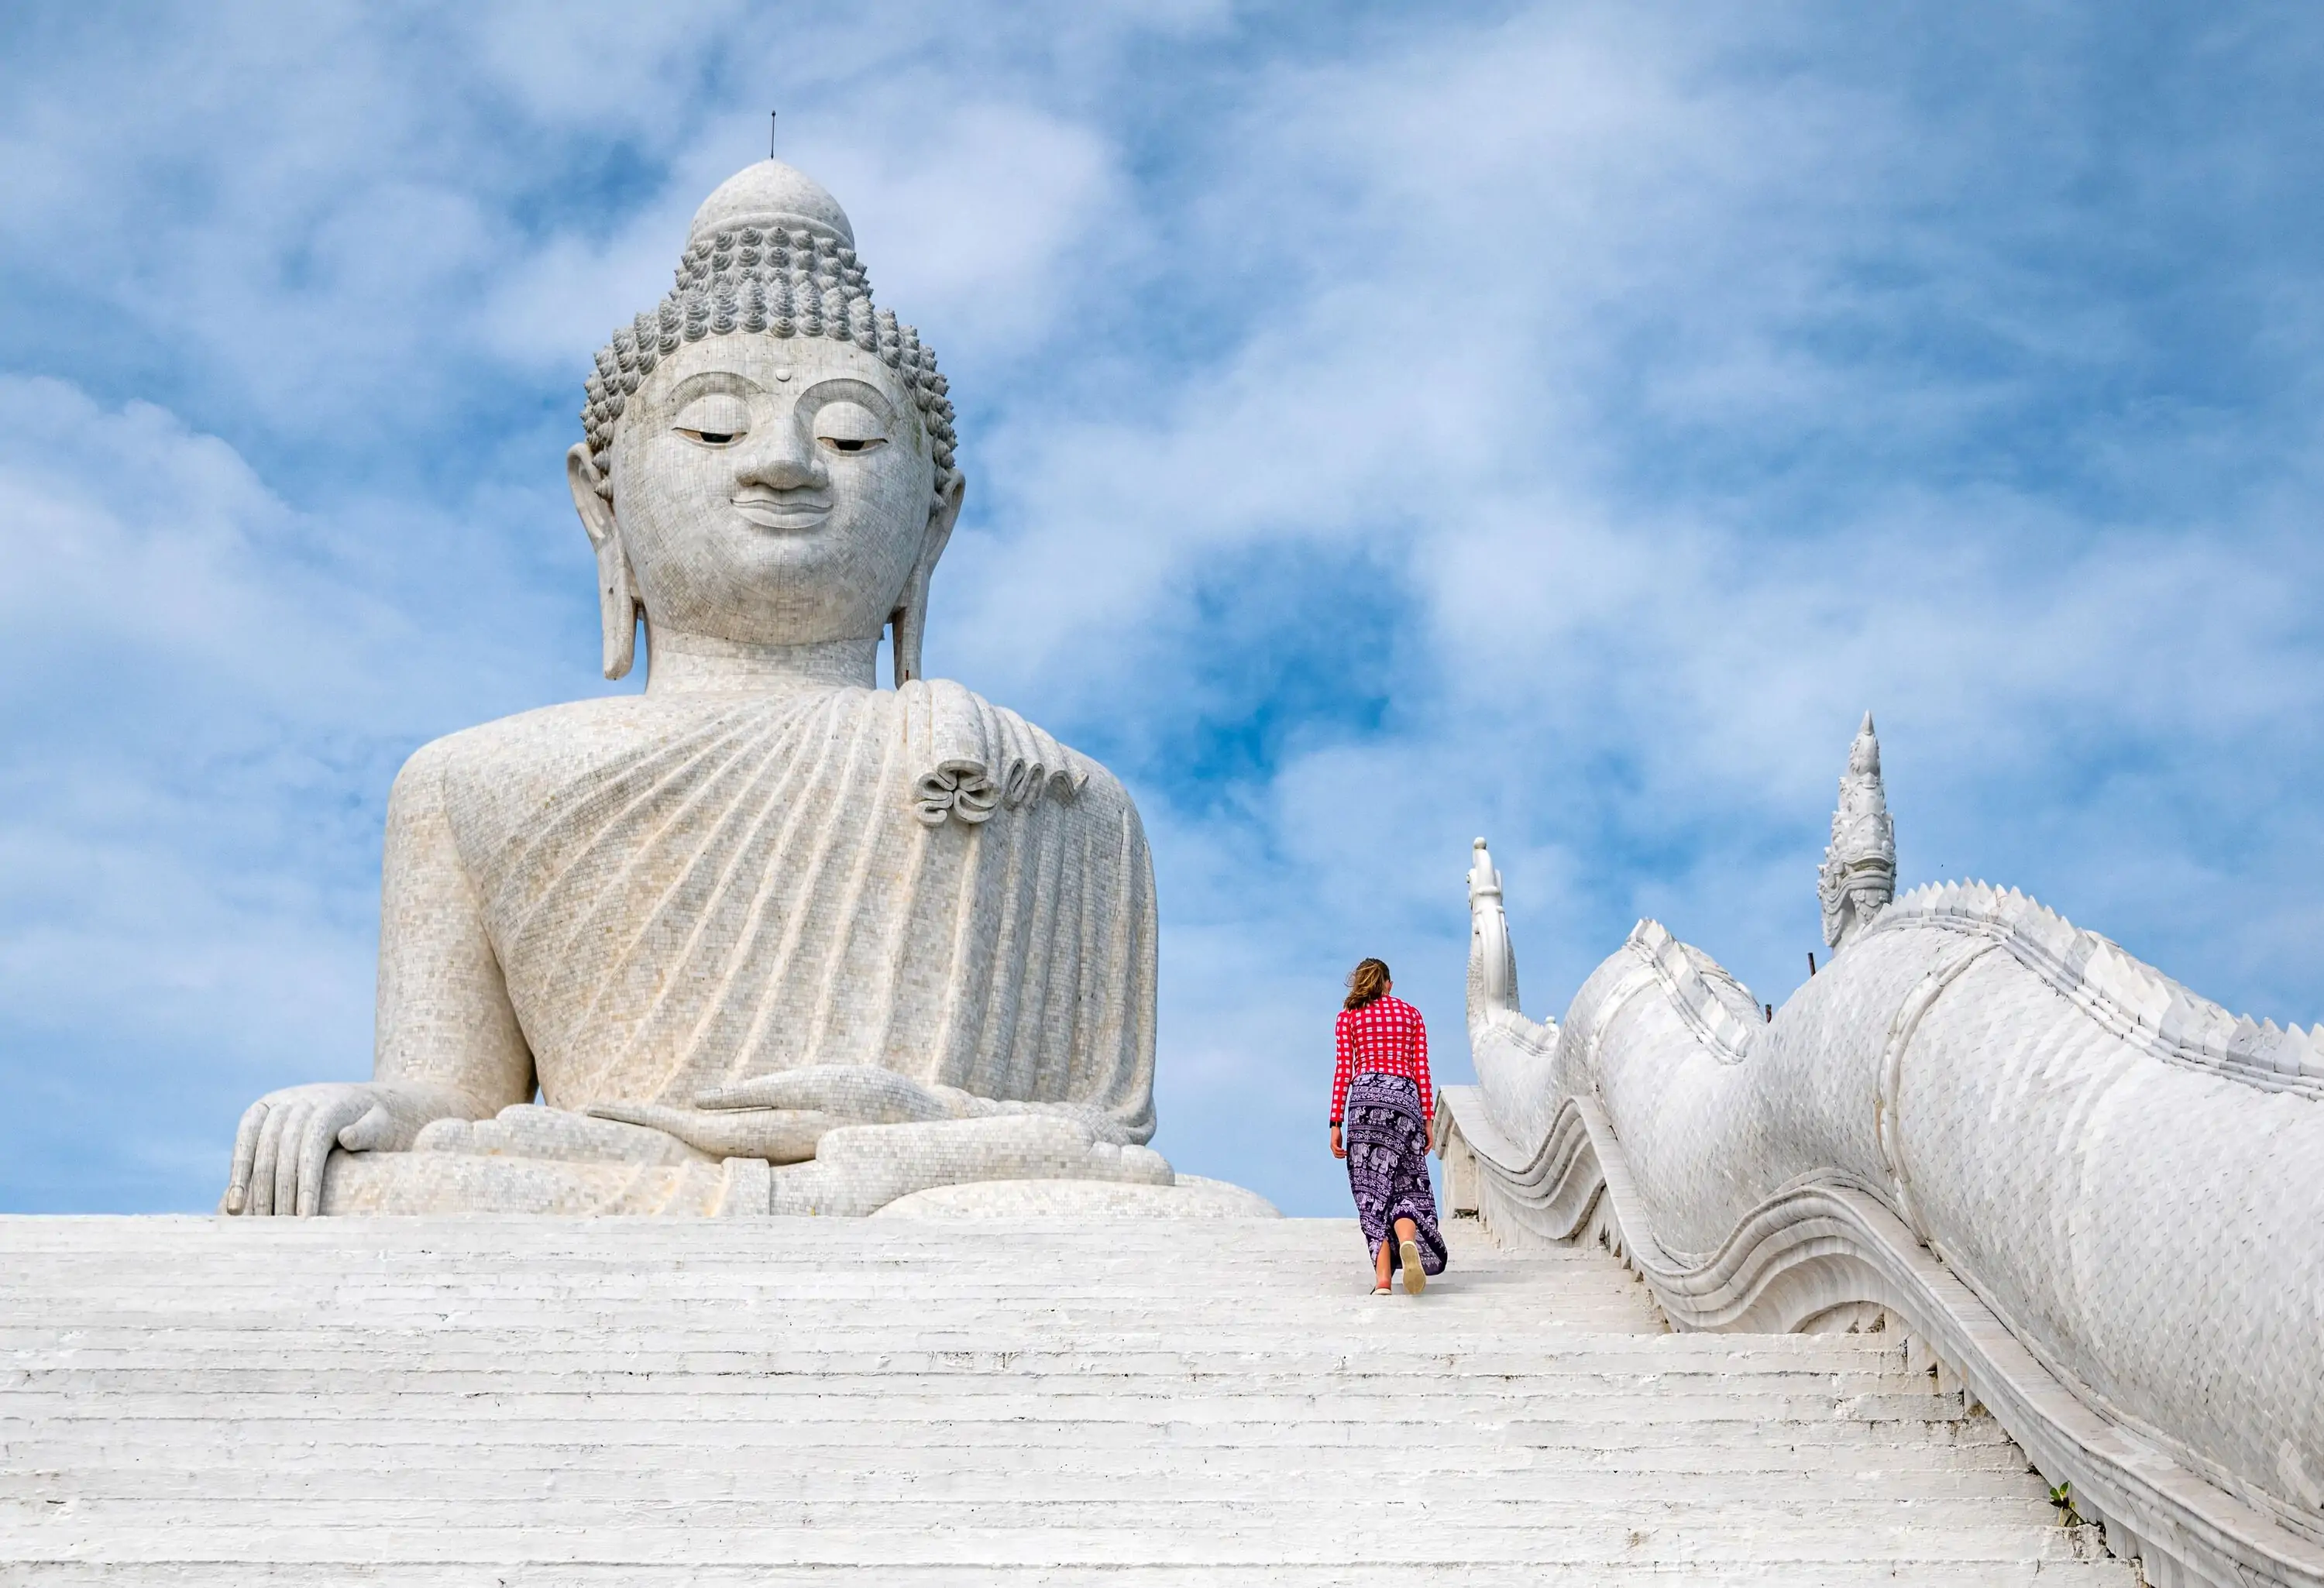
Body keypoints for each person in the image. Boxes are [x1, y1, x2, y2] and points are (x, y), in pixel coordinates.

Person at [1329, 958, 1449, 1294]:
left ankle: (1383, 1281)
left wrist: (1335, 1121)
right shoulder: (1411, 1015)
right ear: (1388, 984)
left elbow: (1343, 1072)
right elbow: (1421, 1070)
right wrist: (1428, 1120)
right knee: (1408, 1185)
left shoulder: (1348, 1017)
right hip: (1404, 1103)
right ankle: (1407, 1240)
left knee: (1371, 1193)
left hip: (1366, 1103)